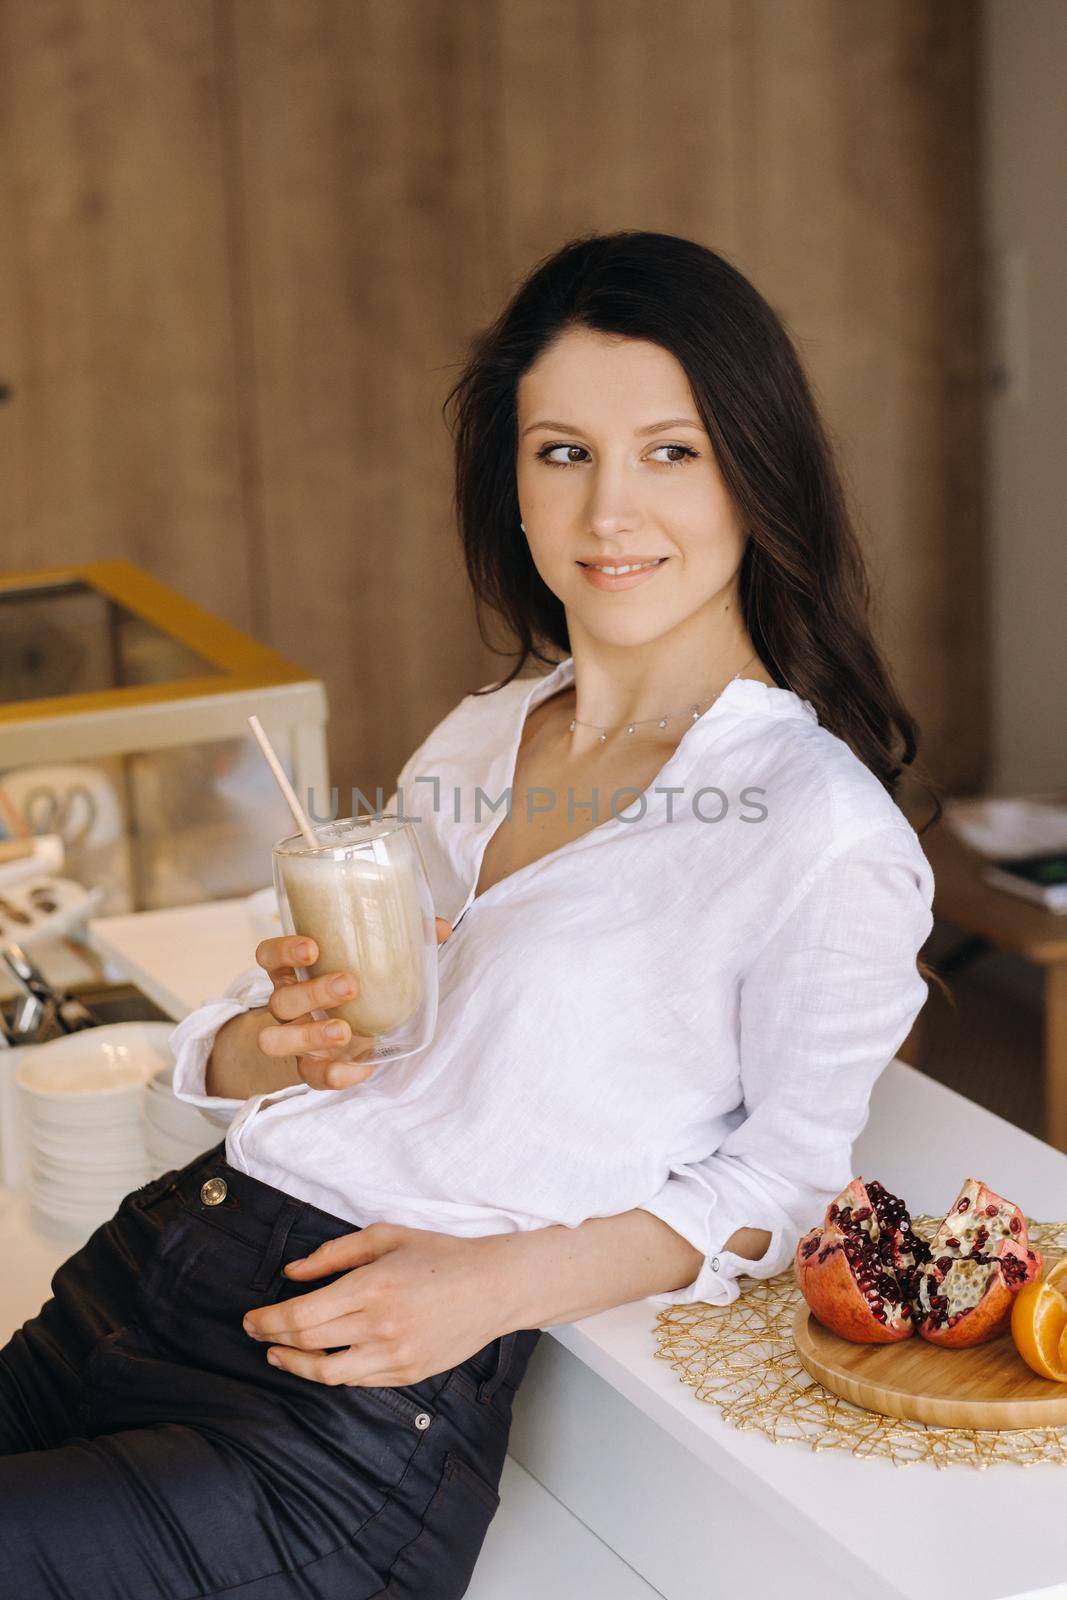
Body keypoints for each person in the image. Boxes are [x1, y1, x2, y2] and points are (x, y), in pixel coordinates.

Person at [0, 229, 941, 1599]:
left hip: (335, 1423)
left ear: (756, 470)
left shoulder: (816, 825)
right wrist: (268, 1040)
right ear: (511, 482)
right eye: (563, 453)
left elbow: (787, 1188)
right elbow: (326, 1055)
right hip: (142, 1276)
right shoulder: (480, 736)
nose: (611, 511)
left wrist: (494, 1286)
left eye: (670, 452)